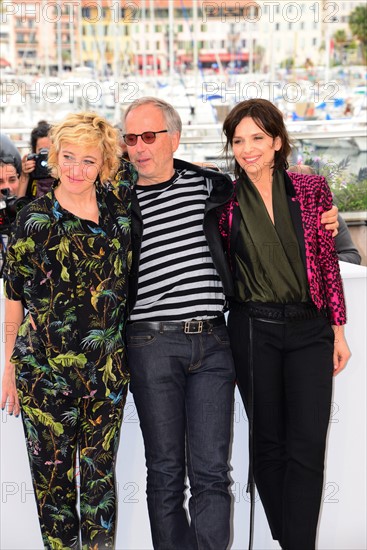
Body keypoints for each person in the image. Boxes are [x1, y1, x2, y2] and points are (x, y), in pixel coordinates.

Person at [121, 96, 339, 550]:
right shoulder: (137, 200)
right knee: (184, 467)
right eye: (130, 138)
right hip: (196, 337)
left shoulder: (246, 189)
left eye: (148, 136)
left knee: (246, 465)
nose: (138, 147)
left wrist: (333, 230)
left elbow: (318, 251)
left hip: (260, 337)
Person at [219, 98, 351, 550]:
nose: (248, 149)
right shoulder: (222, 200)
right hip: (253, 330)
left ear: (277, 141)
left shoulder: (313, 190)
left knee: (308, 447)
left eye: (258, 138)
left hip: (310, 330)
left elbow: (327, 264)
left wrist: (337, 330)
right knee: (268, 446)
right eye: (238, 140)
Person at [1, 112, 131, 548]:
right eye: (69, 157)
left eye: (89, 161)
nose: (76, 170)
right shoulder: (29, 218)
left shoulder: (121, 216)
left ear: (105, 164)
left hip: (107, 374)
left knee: (99, 487)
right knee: (53, 492)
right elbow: (14, 301)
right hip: (41, 374)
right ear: (54, 157)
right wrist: (8, 366)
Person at [18, 120, 56, 199]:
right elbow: (19, 202)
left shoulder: (63, 169)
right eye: (41, 150)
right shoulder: (32, 169)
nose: (45, 154)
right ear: (34, 151)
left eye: (49, 150)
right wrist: (25, 175)